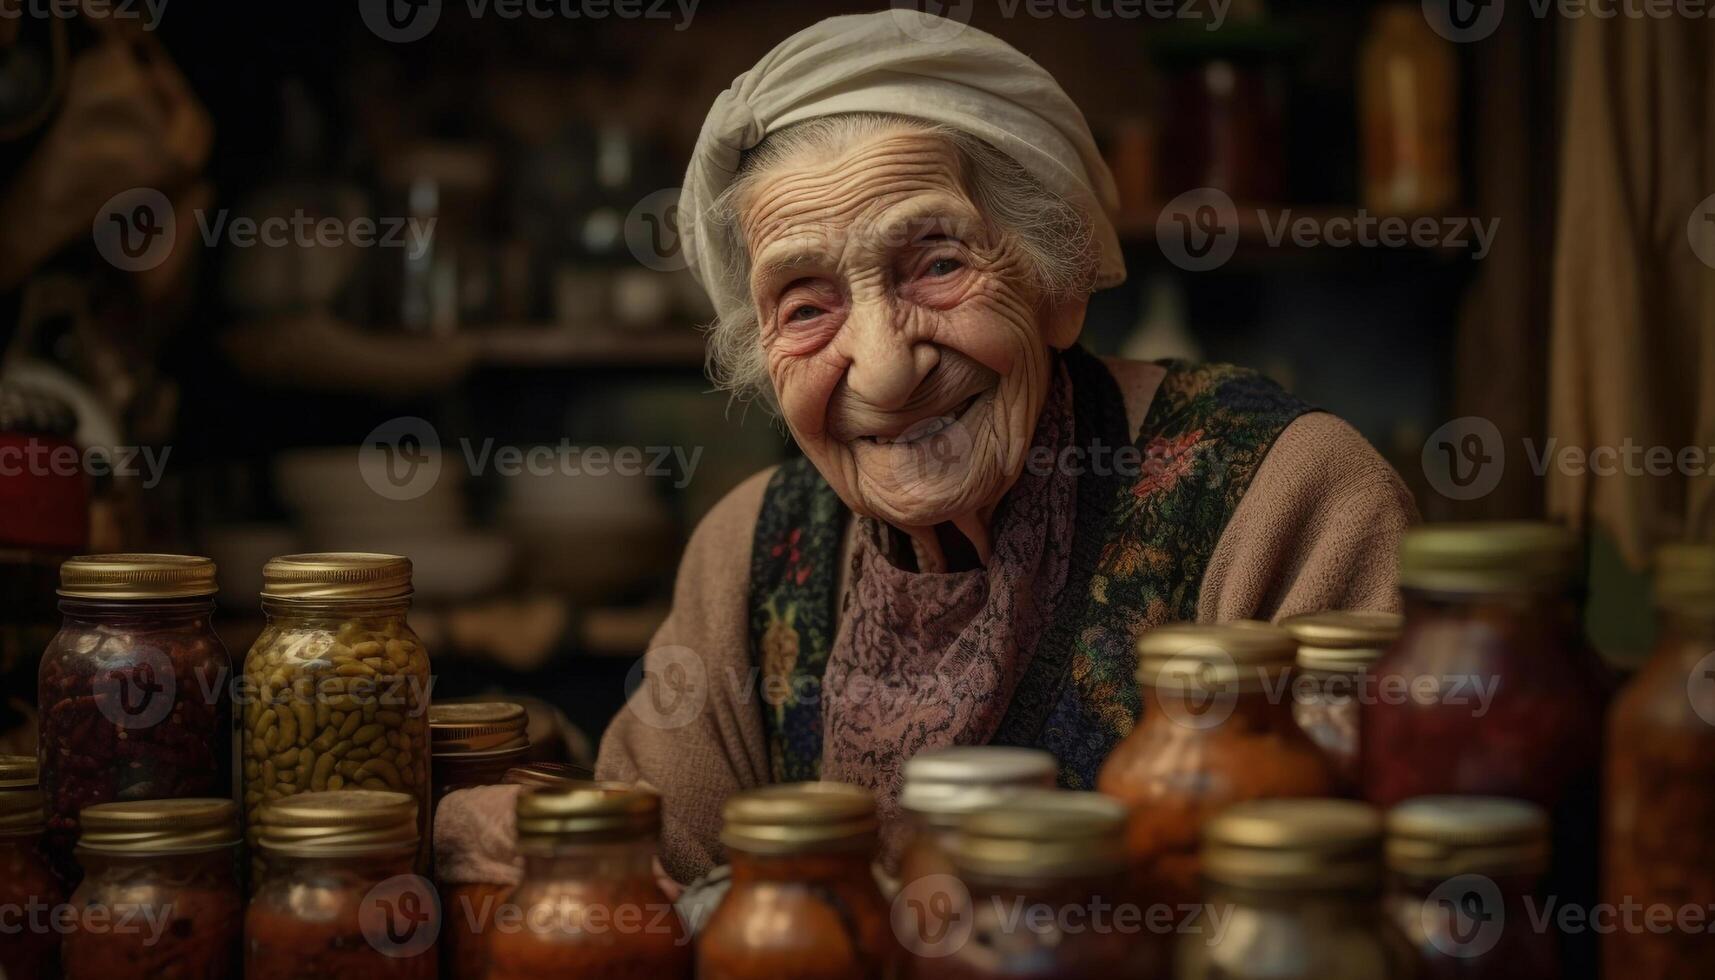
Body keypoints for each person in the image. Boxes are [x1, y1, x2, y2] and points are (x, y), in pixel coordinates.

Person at [436, 10, 1416, 890]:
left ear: (1057, 282)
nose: (884, 369)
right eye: (807, 304)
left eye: (938, 263)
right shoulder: (746, 554)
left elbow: (1353, 913)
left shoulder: (1278, 499)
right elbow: (657, 892)